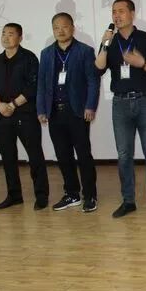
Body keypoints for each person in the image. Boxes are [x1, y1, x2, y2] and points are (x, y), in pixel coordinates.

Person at [95, 0, 146, 218]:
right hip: (121, 103)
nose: (116, 16)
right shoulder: (110, 41)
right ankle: (128, 201)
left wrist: (141, 63)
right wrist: (104, 44)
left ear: (132, 13)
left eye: (121, 11)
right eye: (113, 12)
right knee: (124, 155)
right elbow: (98, 69)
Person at [37, 12, 100, 213]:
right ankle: (72, 194)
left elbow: (93, 81)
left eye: (64, 26)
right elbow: (42, 84)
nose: (60, 31)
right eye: (56, 27)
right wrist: (41, 109)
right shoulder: (46, 53)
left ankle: (90, 195)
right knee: (63, 156)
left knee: (83, 155)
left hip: (78, 112)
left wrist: (90, 106)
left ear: (73, 28)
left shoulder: (85, 51)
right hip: (55, 112)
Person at [0, 23, 50, 210]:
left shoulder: (29, 58)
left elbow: (33, 87)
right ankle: (14, 195)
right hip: (2, 115)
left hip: (25, 114)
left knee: (34, 155)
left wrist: (13, 105)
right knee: (8, 157)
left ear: (20, 38)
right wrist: (0, 105)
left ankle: (41, 196)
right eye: (3, 34)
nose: (6, 37)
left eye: (11, 34)